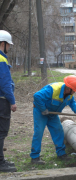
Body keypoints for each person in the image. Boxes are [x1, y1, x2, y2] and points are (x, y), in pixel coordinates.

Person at [30, 75, 76, 164]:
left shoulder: (69, 94)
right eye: (74, 90)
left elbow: (72, 102)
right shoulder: (53, 89)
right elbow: (37, 96)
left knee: (58, 131)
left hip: (53, 114)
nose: (75, 92)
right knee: (38, 132)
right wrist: (43, 109)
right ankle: (35, 157)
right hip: (40, 112)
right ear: (68, 88)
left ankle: (61, 154)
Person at [0, 30, 17, 172]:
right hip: (2, 101)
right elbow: (5, 83)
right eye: (8, 45)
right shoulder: (1, 59)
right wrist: (12, 101)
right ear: (3, 44)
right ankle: (0, 163)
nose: (9, 48)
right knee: (1, 132)